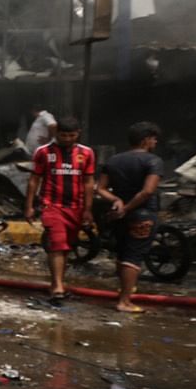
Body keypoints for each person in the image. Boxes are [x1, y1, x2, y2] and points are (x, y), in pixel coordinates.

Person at [24, 116, 95, 301]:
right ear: (57, 134)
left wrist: (88, 208)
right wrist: (29, 206)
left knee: (67, 247)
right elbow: (34, 180)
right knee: (57, 245)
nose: (68, 139)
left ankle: (59, 282)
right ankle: (57, 286)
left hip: (76, 207)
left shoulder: (87, 153)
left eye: (71, 135)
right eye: (64, 135)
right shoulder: (43, 152)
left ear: (78, 134)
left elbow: (88, 182)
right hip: (51, 205)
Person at [96, 122, 164, 313]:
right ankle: (124, 301)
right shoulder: (153, 161)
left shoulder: (113, 160)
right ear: (145, 140)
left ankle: (124, 289)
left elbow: (100, 188)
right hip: (142, 214)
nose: (155, 142)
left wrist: (117, 200)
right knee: (133, 257)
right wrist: (127, 207)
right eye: (153, 138)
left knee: (122, 253)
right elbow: (147, 191)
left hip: (118, 214)